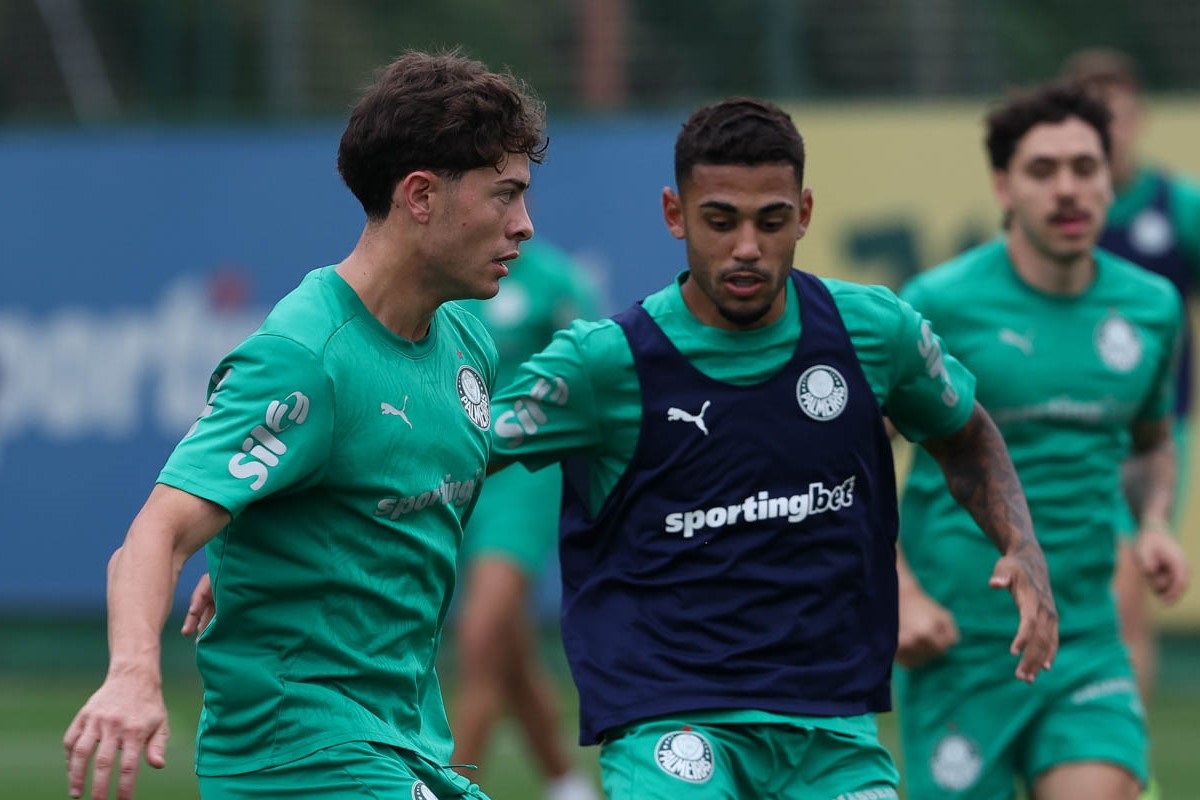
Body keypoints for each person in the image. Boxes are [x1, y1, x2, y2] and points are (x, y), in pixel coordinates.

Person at [485, 96, 1059, 799]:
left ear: (806, 214)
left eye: (772, 220)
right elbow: (464, 446)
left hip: (830, 728)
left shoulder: (873, 333)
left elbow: (964, 433)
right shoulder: (606, 363)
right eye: (720, 221)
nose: (748, 247)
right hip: (672, 719)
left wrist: (1021, 544)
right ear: (674, 214)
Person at [62, 49, 546, 800]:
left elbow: (399, 468)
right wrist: (131, 677)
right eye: (504, 195)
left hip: (404, 743)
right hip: (298, 754)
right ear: (420, 194)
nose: (525, 226)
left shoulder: (466, 344)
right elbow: (151, 537)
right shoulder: (305, 359)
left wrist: (257, 549)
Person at [893, 83, 1190, 800]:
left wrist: (1152, 522)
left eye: (1086, 168)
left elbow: (1150, 440)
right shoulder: (937, 305)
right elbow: (853, 457)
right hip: (959, 647)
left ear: (1111, 179)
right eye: (1042, 169)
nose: (1068, 189)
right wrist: (897, 592)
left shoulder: (1152, 307)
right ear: (1003, 185)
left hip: (1083, 643)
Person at [1061, 47, 1200, 724]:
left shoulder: (1178, 209)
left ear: (1138, 117)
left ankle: (1127, 763)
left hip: (1152, 438)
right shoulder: (1055, 218)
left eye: (1115, 116)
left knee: (1124, 597)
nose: (1106, 132)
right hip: (1066, 433)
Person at [450, 240, 602, 800]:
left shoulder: (557, 283)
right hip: (451, 473)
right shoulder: (444, 281)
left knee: (481, 632)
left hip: (523, 477)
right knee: (507, 646)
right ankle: (567, 785)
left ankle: (450, 788)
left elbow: (597, 373)